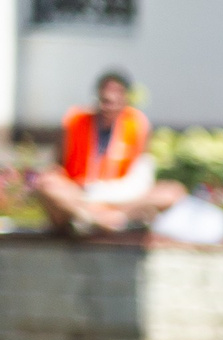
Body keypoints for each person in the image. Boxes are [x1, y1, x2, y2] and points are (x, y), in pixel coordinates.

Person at [34, 69, 183, 233]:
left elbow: (142, 176)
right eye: (105, 96)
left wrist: (115, 197)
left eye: (117, 94)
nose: (110, 99)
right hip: (81, 195)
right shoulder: (76, 121)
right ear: (97, 96)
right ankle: (94, 219)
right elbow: (57, 167)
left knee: (173, 192)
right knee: (46, 184)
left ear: (126, 98)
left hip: (121, 199)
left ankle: (107, 219)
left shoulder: (138, 124)